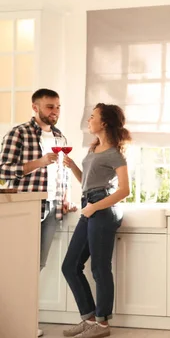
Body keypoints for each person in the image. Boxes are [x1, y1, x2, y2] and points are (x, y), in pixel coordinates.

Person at [0, 88, 73, 337]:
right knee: (19, 265)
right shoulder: (19, 133)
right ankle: (16, 323)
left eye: (58, 107)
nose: (55, 112)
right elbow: (4, 171)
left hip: (52, 208)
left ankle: (27, 321)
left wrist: (65, 198)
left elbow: (62, 172)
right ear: (35, 107)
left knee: (36, 266)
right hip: (27, 207)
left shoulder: (60, 136)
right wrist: (40, 162)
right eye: (50, 107)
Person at [61, 104, 130, 338]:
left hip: (102, 209)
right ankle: (89, 319)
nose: (89, 120)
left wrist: (94, 207)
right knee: (70, 266)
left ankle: (102, 325)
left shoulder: (115, 154)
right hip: (89, 206)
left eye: (93, 117)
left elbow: (124, 190)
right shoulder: (93, 149)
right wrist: (72, 168)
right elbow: (87, 184)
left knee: (100, 268)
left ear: (104, 123)